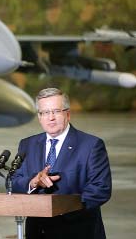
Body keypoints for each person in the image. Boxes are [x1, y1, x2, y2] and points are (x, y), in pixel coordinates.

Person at [12, 87, 111, 239]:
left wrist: (61, 207)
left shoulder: (91, 145)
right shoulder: (27, 144)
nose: (50, 117)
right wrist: (32, 182)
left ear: (67, 114)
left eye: (56, 111)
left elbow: (100, 189)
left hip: (78, 232)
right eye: (45, 112)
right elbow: (15, 182)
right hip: (38, 232)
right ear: (39, 117)